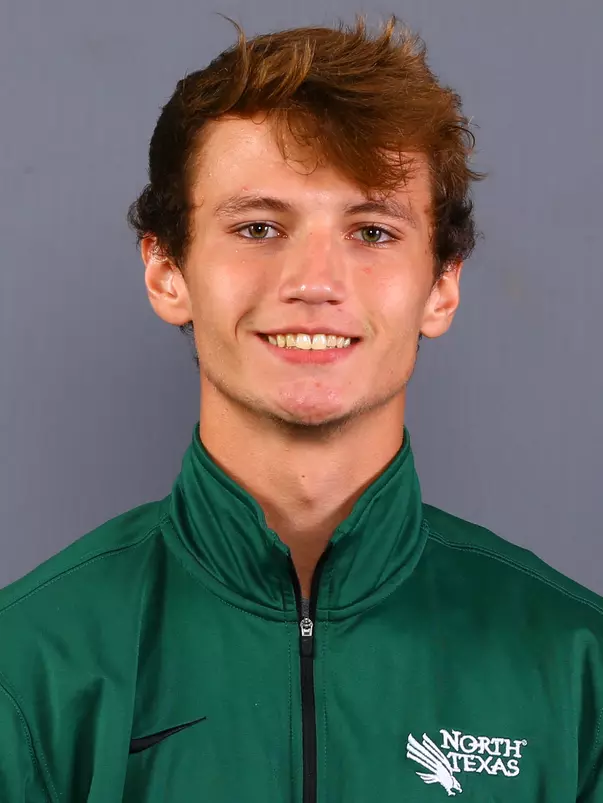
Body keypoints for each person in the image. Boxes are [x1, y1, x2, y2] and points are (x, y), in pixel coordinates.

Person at [0, 15, 601, 803]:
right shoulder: (26, 663)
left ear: (442, 283)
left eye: (373, 230)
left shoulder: (575, 666)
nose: (314, 280)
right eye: (258, 227)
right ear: (165, 270)